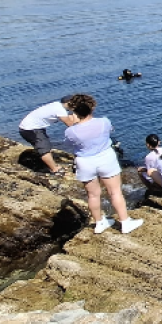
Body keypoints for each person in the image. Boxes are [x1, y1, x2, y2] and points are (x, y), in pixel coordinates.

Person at [63, 94, 143, 234]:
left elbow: (71, 144)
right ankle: (125, 222)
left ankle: (99, 223)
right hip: (106, 158)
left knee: (93, 195)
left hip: (85, 162)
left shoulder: (70, 131)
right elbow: (109, 131)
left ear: (75, 112)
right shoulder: (103, 122)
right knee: (115, 192)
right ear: (91, 109)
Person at [19, 96, 79, 176]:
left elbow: (70, 119)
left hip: (33, 128)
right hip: (30, 129)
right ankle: (55, 170)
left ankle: (51, 164)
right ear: (69, 103)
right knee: (44, 149)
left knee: (46, 145)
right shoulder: (60, 111)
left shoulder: (57, 105)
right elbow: (71, 125)